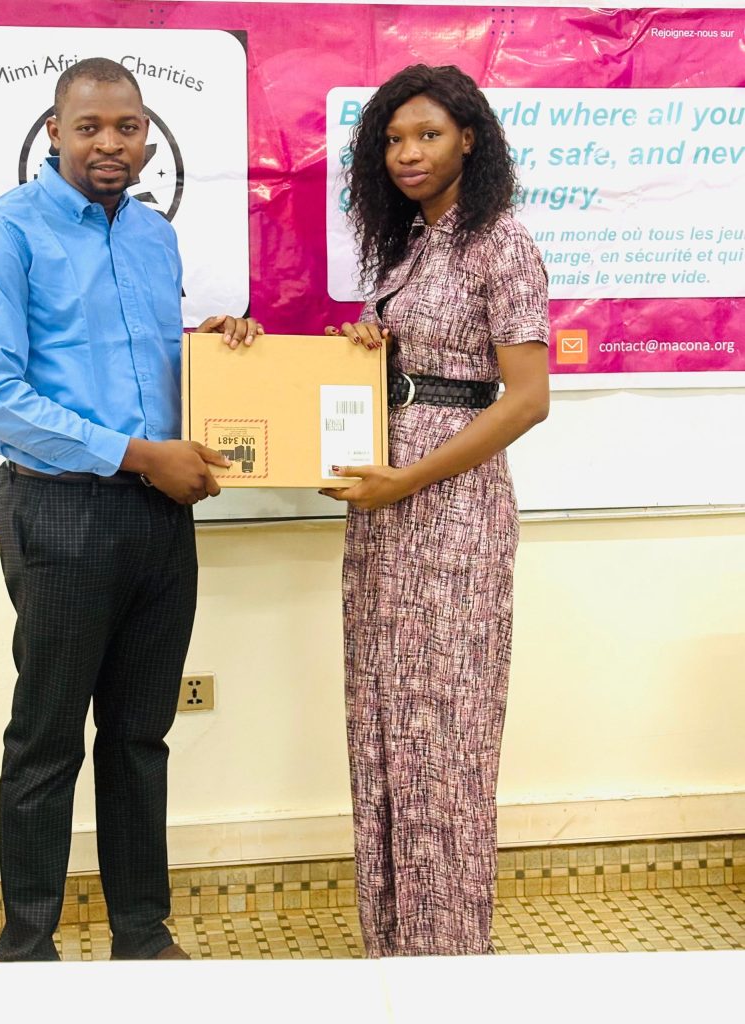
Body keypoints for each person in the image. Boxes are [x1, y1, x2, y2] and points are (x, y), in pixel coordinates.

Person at [0, 57, 261, 962]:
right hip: (60, 513)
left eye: (126, 128)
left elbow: (137, 361)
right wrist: (138, 454)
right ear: (53, 132)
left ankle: (141, 933)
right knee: (47, 739)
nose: (109, 144)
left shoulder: (151, 236)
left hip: (159, 518)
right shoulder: (4, 232)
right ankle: (27, 948)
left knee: (140, 736)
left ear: (146, 137)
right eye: (89, 127)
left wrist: (216, 350)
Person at [321, 64, 550, 957]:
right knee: (383, 720)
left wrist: (405, 480)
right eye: (392, 139)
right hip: (384, 508)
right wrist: (371, 345)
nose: (407, 153)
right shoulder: (408, 246)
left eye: (426, 135)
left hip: (450, 513)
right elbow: (416, 372)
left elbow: (524, 399)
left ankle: (447, 960)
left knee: (443, 736)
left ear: (468, 141)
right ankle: (394, 949)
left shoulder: (501, 241)